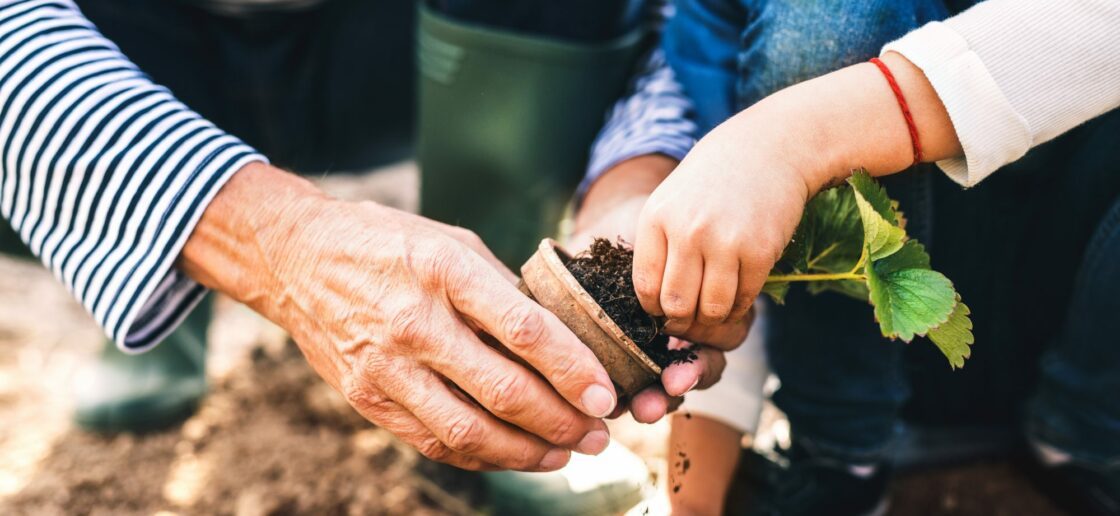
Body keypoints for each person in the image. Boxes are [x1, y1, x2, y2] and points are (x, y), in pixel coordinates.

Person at [0, 0, 747, 474]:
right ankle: (157, 283)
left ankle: (491, 335)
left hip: (400, 47)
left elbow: (693, 16)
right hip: (114, 48)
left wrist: (635, 177)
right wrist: (273, 242)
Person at [573, 0, 1119, 513]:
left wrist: (797, 138)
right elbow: (730, 214)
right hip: (853, 373)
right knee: (825, 20)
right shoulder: (716, 27)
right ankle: (840, 456)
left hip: (1082, 300)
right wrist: (691, 495)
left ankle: (1085, 435)